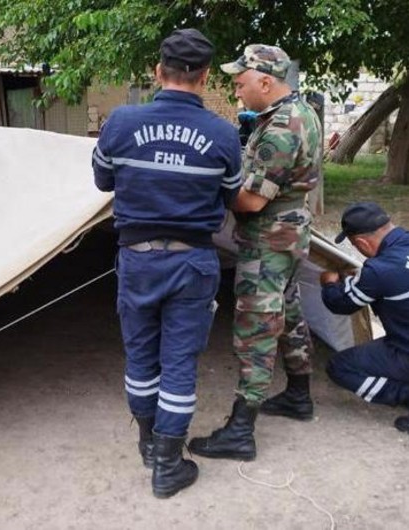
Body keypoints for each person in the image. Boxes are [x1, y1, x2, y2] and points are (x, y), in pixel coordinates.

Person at [92, 28, 241, 498]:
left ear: (158, 71)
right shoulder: (223, 133)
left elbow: (102, 181)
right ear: (205, 77)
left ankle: (147, 444)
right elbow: (232, 195)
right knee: (178, 362)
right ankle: (168, 464)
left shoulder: (120, 122)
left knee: (140, 356)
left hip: (136, 260)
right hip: (193, 263)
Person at [188, 44, 323, 461]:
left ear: (266, 81)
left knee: (255, 330)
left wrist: (210, 187)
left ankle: (241, 430)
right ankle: (299, 396)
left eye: (241, 83)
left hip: (268, 242)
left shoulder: (282, 127)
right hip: (287, 237)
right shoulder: (299, 113)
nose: (237, 92)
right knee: (288, 314)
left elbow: (249, 202)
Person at [321, 202, 409, 432]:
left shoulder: (379, 270)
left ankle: (404, 394)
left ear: (361, 243)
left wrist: (329, 284)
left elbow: (340, 304)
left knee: (340, 367)